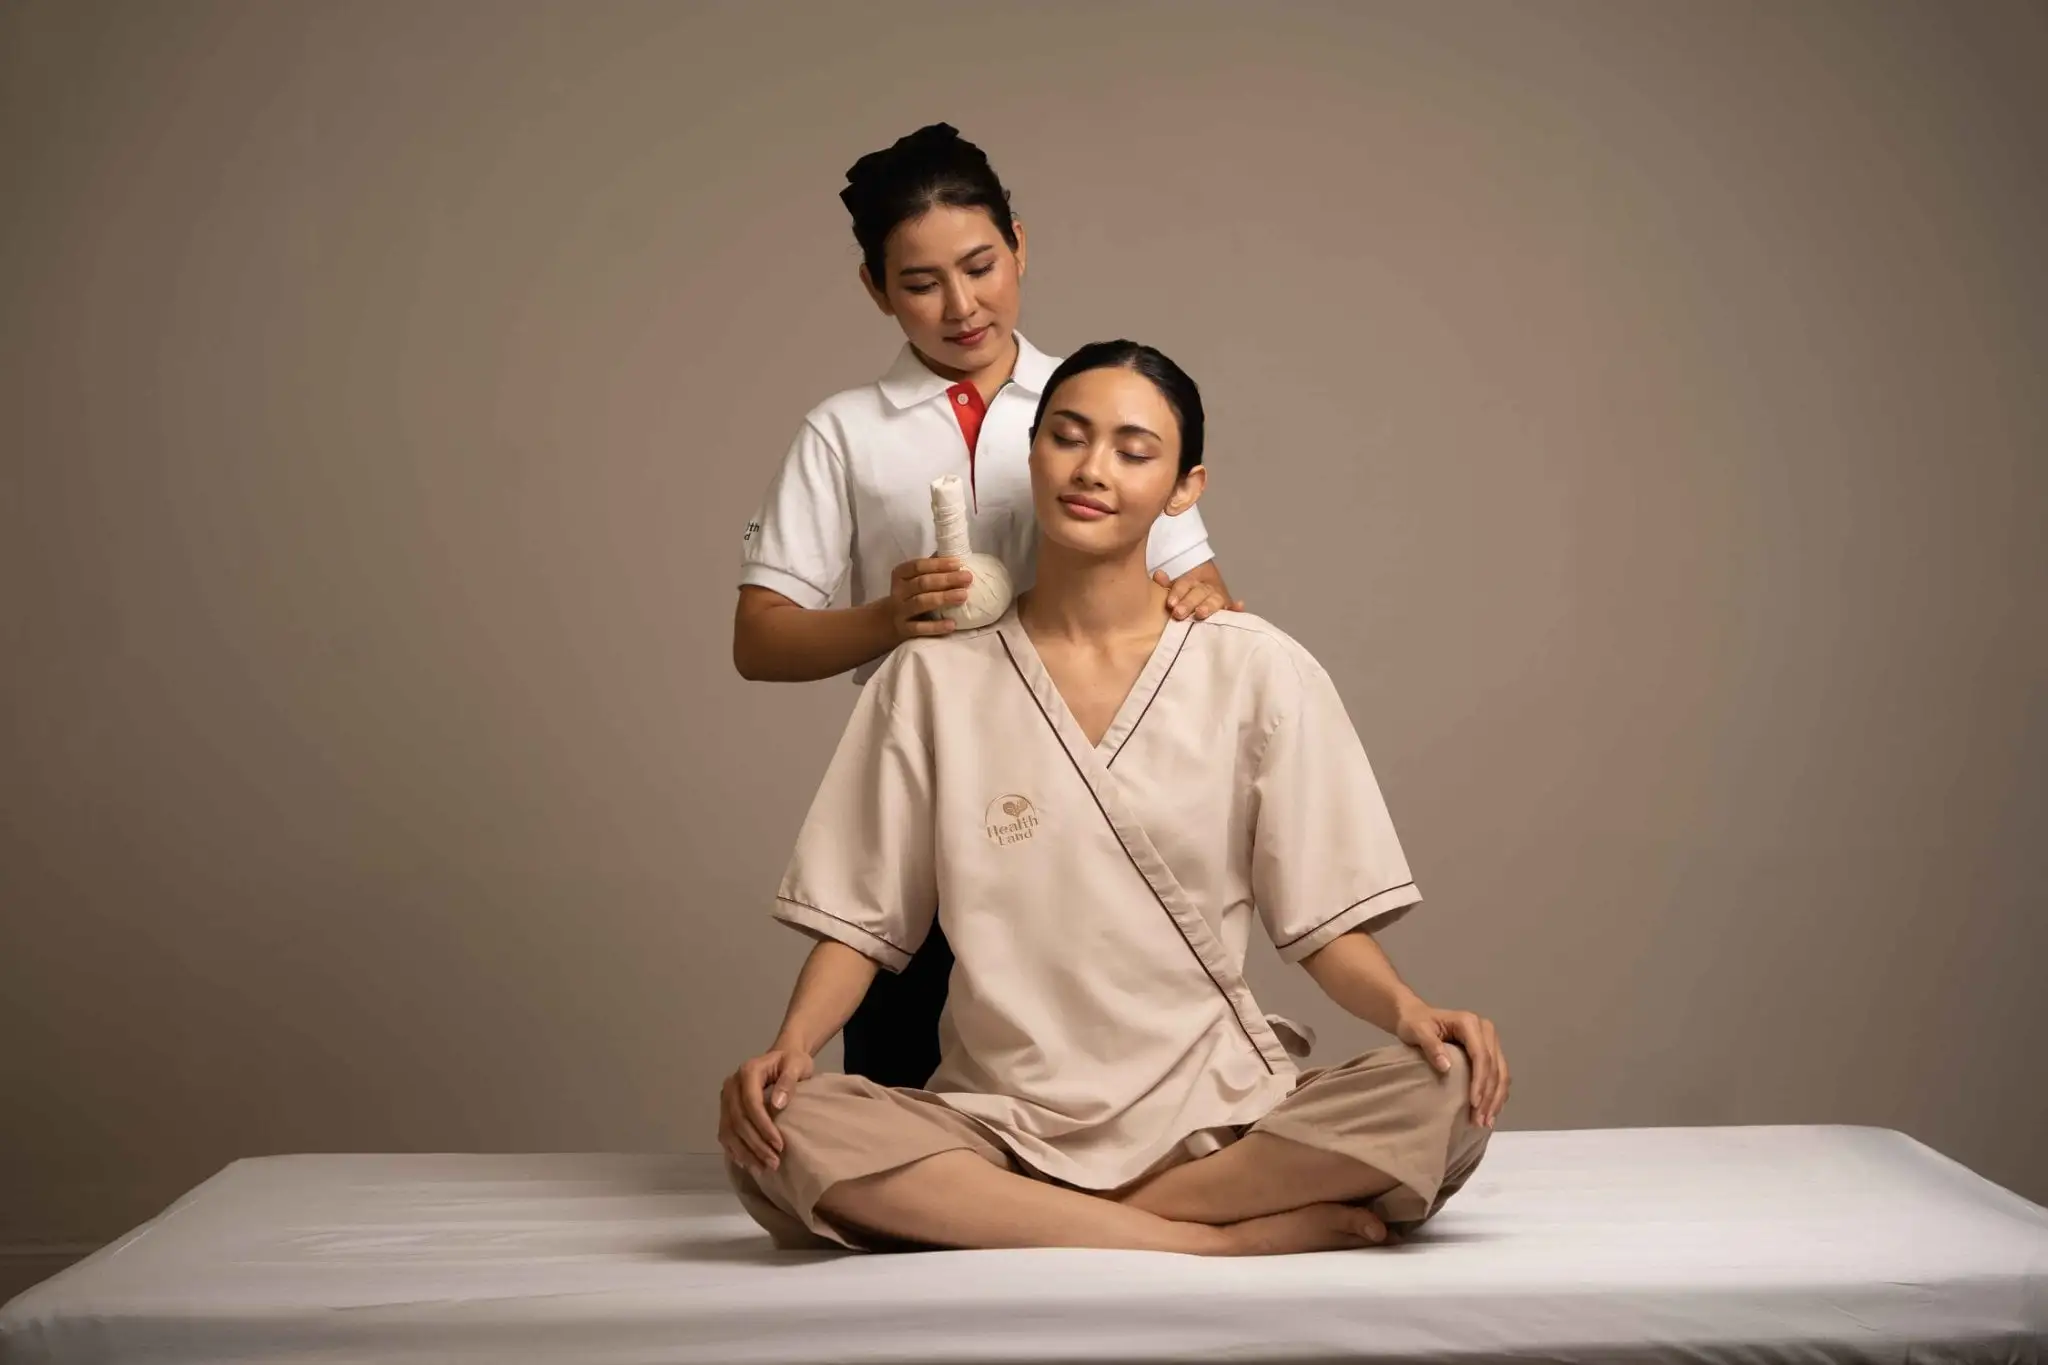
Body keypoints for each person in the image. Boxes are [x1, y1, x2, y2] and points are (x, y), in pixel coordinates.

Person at [717, 341, 1510, 1256]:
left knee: (1449, 1085)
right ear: (1032, 455)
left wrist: (1411, 1012)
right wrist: (792, 1045)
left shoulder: (1257, 667)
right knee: (786, 1126)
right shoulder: (931, 675)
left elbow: (1325, 926)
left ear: (1184, 487)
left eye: (1134, 451)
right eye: (1067, 437)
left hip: (1216, 1114)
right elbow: (860, 920)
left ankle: (1064, 1214)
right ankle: (1196, 1235)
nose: (1093, 469)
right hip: (1000, 1119)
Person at [734, 125, 1244, 1092]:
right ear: (876, 289)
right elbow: (759, 639)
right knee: (894, 1084)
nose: (962, 306)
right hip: (934, 783)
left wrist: (1203, 593)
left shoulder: (1095, 403)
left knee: (1099, 1068)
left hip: (1091, 783)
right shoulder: (843, 432)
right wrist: (889, 619)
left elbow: (1200, 589)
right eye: (921, 283)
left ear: (1020, 244)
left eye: (980, 266)